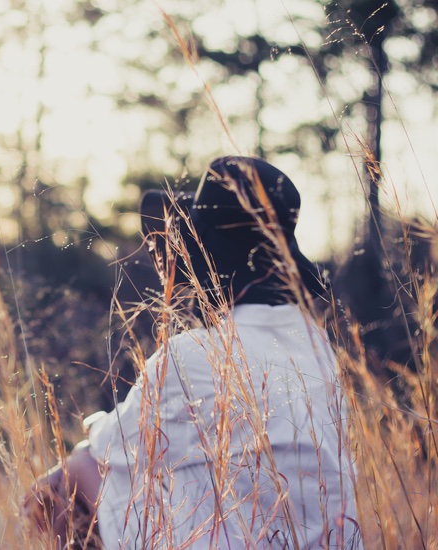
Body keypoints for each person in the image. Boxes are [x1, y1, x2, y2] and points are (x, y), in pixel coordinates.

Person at [26, 156, 359, 549]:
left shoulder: (194, 358)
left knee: (53, 490)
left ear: (205, 257)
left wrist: (96, 427)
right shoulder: (318, 351)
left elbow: (102, 453)